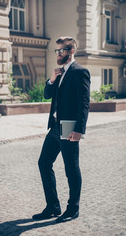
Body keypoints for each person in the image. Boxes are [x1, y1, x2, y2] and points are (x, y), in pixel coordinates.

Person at [32, 36, 91, 223]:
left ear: (71, 51)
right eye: (56, 51)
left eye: (61, 51)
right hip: (56, 127)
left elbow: (84, 103)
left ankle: (73, 209)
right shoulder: (59, 72)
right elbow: (47, 94)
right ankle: (53, 206)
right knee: (44, 163)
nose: (58, 54)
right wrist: (52, 79)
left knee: (71, 169)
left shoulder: (80, 72)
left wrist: (79, 129)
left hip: (69, 126)